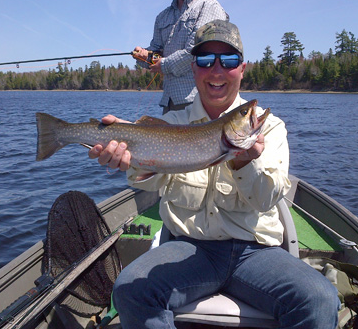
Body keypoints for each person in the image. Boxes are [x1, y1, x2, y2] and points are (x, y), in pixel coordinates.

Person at [89, 20, 340, 328]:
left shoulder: (270, 128)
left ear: (243, 68)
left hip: (255, 252)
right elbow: (153, 179)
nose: (217, 70)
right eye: (206, 60)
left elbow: (267, 199)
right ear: (194, 68)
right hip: (188, 247)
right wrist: (131, 161)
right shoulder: (172, 122)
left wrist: (246, 163)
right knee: (129, 290)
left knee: (320, 299)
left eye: (229, 60)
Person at [133, 0, 228, 114]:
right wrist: (144, 56)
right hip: (169, 103)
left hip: (199, 102)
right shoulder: (162, 16)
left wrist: (162, 64)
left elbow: (195, 51)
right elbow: (157, 51)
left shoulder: (209, 7)